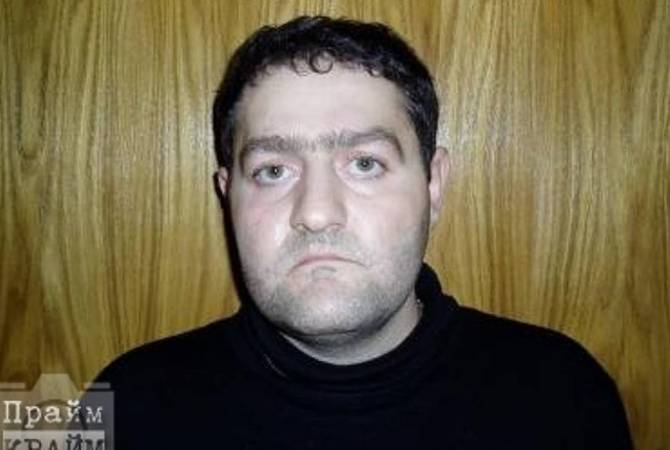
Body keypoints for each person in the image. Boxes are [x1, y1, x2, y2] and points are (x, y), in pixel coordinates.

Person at [90, 16, 633, 449]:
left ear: (433, 185)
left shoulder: (563, 398)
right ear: (228, 194)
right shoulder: (123, 406)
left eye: (365, 164)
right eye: (273, 170)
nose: (316, 213)